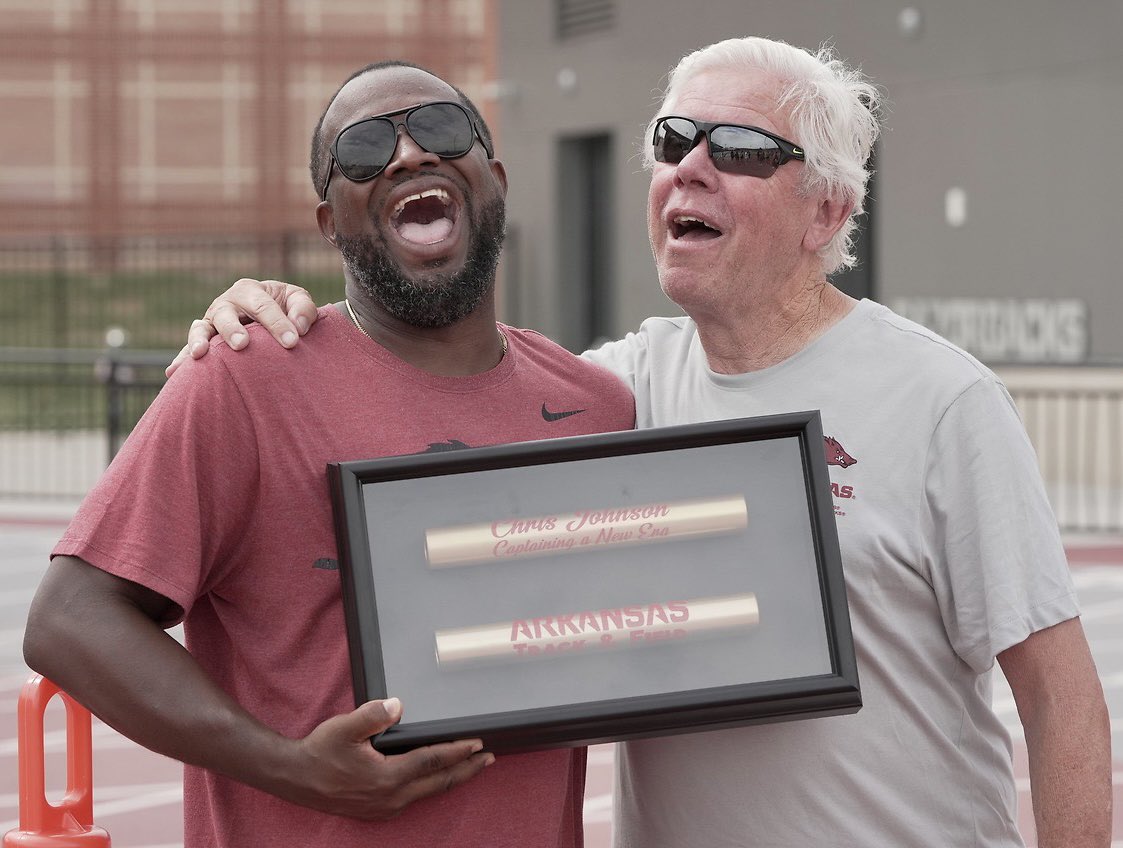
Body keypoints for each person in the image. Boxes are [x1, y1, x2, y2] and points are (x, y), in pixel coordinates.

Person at [170, 37, 1112, 847]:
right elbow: (442, 369)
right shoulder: (612, 393)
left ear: (826, 211)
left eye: (739, 148)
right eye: (671, 141)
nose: (689, 167)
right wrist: (263, 314)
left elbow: (1061, 701)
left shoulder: (941, 398)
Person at [24, 61, 635, 848]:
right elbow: (67, 621)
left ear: (496, 180)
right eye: (363, 148)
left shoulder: (598, 406)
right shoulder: (243, 381)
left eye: (443, 129)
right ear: (329, 224)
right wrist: (291, 766)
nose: (410, 156)